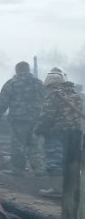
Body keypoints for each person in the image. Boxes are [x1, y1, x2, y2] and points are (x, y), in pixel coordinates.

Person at [35, 68, 84, 197]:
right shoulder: (76, 95)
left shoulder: (54, 95)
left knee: (54, 159)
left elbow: (46, 116)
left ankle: (57, 189)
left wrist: (39, 130)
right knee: (71, 161)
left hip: (56, 133)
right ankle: (72, 189)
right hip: (75, 133)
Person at [0, 61, 45, 175]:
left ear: (17, 70)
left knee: (18, 145)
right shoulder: (39, 83)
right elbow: (46, 100)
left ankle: (18, 170)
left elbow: (3, 101)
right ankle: (38, 169)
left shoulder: (12, 83)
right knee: (35, 144)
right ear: (28, 70)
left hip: (19, 120)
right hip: (36, 119)